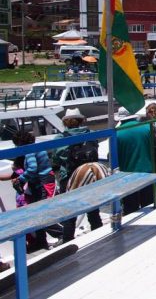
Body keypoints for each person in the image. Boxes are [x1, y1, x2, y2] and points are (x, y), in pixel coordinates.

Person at [52, 108, 102, 244]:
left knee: (70, 214)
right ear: (81, 120)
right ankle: (99, 237)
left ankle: (68, 243)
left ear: (66, 122)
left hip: (68, 178)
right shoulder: (91, 134)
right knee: (93, 211)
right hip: (89, 176)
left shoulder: (60, 138)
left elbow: (55, 159)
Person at [12, 130, 57, 252]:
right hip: (42, 182)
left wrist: (20, 179)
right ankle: (40, 242)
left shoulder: (29, 151)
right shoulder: (36, 146)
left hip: (43, 183)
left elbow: (32, 169)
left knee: (41, 213)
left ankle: (62, 234)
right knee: (35, 212)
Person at [116, 108, 155, 214]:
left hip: (127, 176)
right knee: (149, 205)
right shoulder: (148, 127)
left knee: (130, 209)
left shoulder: (116, 134)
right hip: (148, 171)